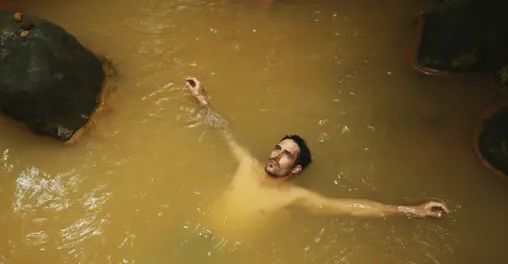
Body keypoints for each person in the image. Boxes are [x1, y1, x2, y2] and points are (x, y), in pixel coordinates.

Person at [184, 76, 449, 235]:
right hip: (196, 231)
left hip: (223, 253)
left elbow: (351, 208)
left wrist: (413, 210)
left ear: (296, 169)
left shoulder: (293, 196)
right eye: (278, 148)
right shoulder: (247, 164)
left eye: (287, 154)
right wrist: (202, 99)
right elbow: (224, 132)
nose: (277, 154)